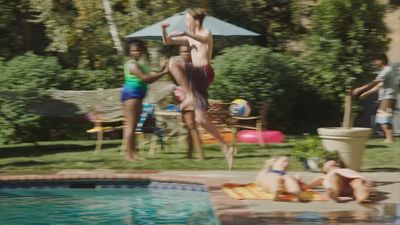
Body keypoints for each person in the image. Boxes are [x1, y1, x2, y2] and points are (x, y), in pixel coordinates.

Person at [161, 8, 234, 169]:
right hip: (195, 79)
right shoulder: (189, 38)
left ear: (196, 21)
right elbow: (167, 42)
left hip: (204, 73)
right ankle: (225, 146)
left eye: (188, 20)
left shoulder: (206, 33)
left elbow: (199, 37)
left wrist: (186, 34)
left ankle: (189, 96)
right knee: (201, 119)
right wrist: (164, 29)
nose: (186, 23)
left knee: (174, 61)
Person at [121, 39, 169, 161]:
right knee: (131, 126)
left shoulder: (139, 64)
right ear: (129, 52)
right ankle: (129, 155)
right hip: (132, 95)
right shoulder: (132, 64)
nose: (137, 52)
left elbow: (151, 76)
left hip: (137, 95)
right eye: (133, 50)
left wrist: (162, 69)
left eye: (138, 50)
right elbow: (146, 79)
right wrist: (163, 72)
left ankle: (134, 153)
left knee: (134, 125)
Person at [353, 54, 398, 143]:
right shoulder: (387, 71)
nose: (374, 62)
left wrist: (360, 89)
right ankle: (389, 138)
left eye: (376, 60)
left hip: (388, 98)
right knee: (384, 117)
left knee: (383, 117)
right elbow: (379, 86)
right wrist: (367, 93)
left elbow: (375, 82)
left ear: (382, 60)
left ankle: (390, 139)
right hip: (387, 98)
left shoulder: (386, 70)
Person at [173, 45, 205, 160]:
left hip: (193, 97)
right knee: (189, 126)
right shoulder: (180, 65)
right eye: (183, 52)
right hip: (183, 98)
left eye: (187, 52)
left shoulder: (195, 65)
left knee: (191, 125)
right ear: (179, 53)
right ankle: (190, 153)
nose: (185, 54)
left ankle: (200, 155)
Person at [302, 160, 372, 203]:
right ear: (324, 169)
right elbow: (312, 184)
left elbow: (361, 177)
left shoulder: (346, 170)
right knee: (335, 177)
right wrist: (305, 186)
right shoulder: (325, 176)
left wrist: (367, 183)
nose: (335, 164)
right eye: (328, 163)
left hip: (351, 181)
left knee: (358, 182)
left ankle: (361, 196)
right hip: (338, 183)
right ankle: (335, 193)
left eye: (336, 163)